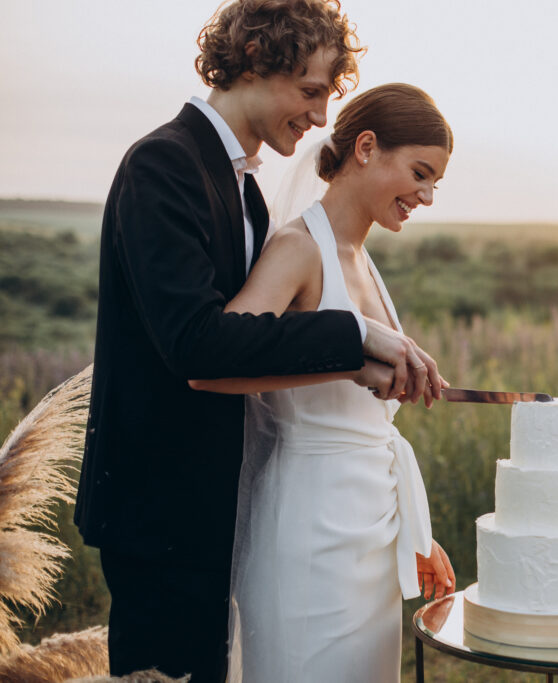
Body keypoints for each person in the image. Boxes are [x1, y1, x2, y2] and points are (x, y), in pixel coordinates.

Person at [74, 3, 443, 681]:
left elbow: (255, 346)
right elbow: (197, 346)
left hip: (218, 506)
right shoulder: (163, 164)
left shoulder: (245, 194)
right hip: (159, 510)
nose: (321, 118)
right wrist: (355, 337)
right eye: (309, 91)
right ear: (252, 58)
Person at [188, 83, 457, 682]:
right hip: (310, 531)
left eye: (435, 182)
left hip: (372, 535)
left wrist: (413, 532)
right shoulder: (296, 248)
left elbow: (365, 427)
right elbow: (213, 368)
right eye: (420, 173)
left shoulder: (363, 258)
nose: (427, 195)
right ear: (366, 148)